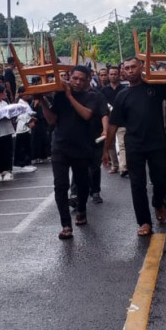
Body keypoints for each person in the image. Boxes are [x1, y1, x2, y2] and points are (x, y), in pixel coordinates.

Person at [105, 57, 166, 236]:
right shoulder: (122, 95)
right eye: (127, 68)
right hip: (134, 145)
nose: (130, 71)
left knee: (160, 180)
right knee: (137, 184)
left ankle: (158, 203)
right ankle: (144, 221)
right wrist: (105, 149)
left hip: (157, 142)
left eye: (133, 67)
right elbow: (113, 124)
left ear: (141, 67)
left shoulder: (154, 88)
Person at [39, 65, 108, 240]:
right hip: (59, 147)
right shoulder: (60, 95)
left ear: (87, 80)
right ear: (70, 77)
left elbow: (86, 115)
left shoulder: (93, 96)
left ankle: (82, 209)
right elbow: (52, 120)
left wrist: (70, 96)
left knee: (83, 184)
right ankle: (66, 225)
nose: (77, 82)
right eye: (74, 78)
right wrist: (42, 102)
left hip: (82, 147)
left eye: (81, 79)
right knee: (60, 186)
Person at [99, 65, 125, 175]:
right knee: (110, 144)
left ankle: (123, 167)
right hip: (109, 121)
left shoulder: (124, 89)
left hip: (122, 121)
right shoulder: (103, 90)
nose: (113, 76)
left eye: (115, 74)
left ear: (119, 75)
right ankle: (115, 165)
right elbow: (102, 106)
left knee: (122, 144)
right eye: (111, 74)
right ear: (108, 75)